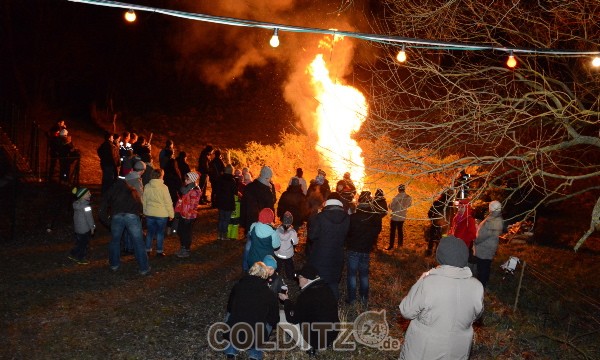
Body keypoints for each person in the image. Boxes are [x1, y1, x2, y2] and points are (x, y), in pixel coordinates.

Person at [399, 236, 484, 359]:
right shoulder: (477, 286)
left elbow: (406, 311)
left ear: (440, 255)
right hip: (458, 350)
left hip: (426, 349)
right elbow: (477, 315)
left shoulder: (429, 282)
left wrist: (421, 280)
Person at [279, 264, 339, 355]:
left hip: (317, 340)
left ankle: (307, 346)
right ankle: (324, 345)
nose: (298, 280)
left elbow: (293, 318)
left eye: (299, 277)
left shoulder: (305, 296)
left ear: (305, 279)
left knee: (280, 315)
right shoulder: (327, 289)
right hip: (332, 334)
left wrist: (286, 300)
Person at [223, 261, 279, 360]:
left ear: (251, 271)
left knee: (230, 315)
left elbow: (230, 308)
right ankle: (255, 352)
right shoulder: (269, 293)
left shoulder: (237, 287)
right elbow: (274, 319)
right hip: (255, 336)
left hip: (235, 333)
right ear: (264, 275)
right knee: (267, 322)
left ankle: (231, 349)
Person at [99, 177, 150, 275]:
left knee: (115, 241)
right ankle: (144, 268)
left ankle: (114, 264)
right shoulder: (132, 190)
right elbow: (140, 206)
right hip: (132, 216)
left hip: (117, 216)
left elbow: (102, 208)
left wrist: (108, 222)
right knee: (138, 242)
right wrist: (141, 217)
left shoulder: (111, 190)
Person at [307, 194, 350, 300]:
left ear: (327, 202)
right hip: (337, 255)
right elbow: (347, 237)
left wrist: (313, 219)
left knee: (318, 283)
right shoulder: (347, 218)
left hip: (320, 255)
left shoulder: (320, 217)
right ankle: (332, 308)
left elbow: (312, 236)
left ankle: (318, 307)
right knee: (333, 282)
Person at [345, 191, 382, 306]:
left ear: (359, 202)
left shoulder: (353, 217)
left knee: (351, 275)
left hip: (353, 249)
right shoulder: (375, 217)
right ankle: (364, 298)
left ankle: (352, 299)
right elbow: (377, 231)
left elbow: (347, 232)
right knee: (364, 275)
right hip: (366, 249)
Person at [143, 169, 175, 257]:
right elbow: (168, 202)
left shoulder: (147, 186)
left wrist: (145, 211)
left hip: (150, 213)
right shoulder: (164, 187)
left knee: (150, 232)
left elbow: (144, 200)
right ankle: (159, 251)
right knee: (160, 233)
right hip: (161, 214)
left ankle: (147, 250)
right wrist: (171, 214)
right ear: (161, 175)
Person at [474, 200, 504, 288]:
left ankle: (481, 286)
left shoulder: (491, 220)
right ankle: (484, 283)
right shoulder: (498, 218)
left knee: (482, 268)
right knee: (486, 266)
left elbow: (483, 235)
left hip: (484, 248)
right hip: (490, 247)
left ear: (491, 209)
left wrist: (475, 240)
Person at [240, 166, 277, 235]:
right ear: (268, 177)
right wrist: (272, 222)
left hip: (249, 221)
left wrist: (243, 220)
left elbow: (243, 205)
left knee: (250, 240)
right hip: (262, 223)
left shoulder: (249, 187)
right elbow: (270, 208)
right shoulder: (267, 191)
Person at [174, 172, 202, 258]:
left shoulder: (195, 191)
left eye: (187, 179)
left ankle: (186, 249)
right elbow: (183, 201)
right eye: (185, 179)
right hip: (183, 214)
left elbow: (193, 205)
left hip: (189, 216)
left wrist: (188, 216)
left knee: (186, 233)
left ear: (192, 180)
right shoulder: (187, 189)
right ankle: (183, 247)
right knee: (180, 231)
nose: (185, 181)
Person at [68, 187, 95, 265]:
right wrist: (92, 227)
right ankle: (81, 258)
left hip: (78, 228)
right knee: (83, 244)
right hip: (84, 229)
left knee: (79, 242)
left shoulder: (76, 204)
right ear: (82, 196)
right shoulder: (86, 206)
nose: (90, 194)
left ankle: (73, 254)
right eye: (88, 193)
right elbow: (89, 218)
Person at [215, 164, 238, 240]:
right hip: (228, 202)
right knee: (226, 219)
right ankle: (224, 235)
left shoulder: (219, 179)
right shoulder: (232, 180)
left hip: (220, 201)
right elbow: (235, 191)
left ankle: (219, 234)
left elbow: (216, 190)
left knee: (221, 218)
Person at [274, 211, 299, 280]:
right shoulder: (293, 232)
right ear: (291, 221)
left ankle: (276, 274)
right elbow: (295, 242)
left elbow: (275, 240)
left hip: (278, 253)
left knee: (277, 265)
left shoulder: (278, 230)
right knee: (289, 266)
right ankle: (290, 277)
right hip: (288, 254)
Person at [427, 190, 452, 256]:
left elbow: (429, 213)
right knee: (442, 238)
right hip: (445, 226)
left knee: (432, 238)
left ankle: (429, 251)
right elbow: (451, 215)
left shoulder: (436, 203)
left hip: (435, 223)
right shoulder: (449, 205)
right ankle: (438, 252)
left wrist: (432, 220)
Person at [388, 184, 412, 250]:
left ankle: (391, 245)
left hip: (395, 217)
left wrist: (389, 205)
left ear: (399, 189)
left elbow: (391, 207)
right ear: (404, 189)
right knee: (400, 231)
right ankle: (400, 245)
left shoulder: (396, 197)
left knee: (392, 232)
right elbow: (409, 205)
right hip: (402, 217)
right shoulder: (408, 197)